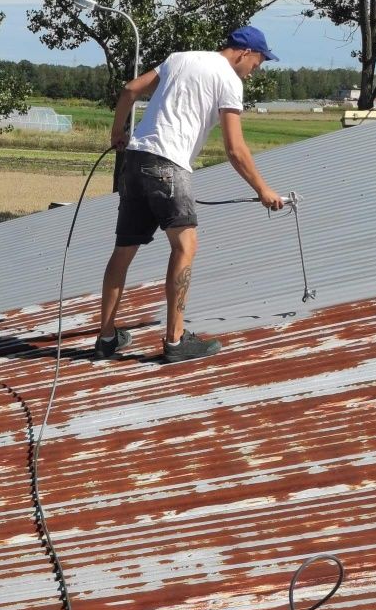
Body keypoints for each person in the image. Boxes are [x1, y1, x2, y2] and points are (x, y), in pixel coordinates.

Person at [96, 25, 287, 363]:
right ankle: (175, 341)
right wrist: (263, 189)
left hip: (136, 158)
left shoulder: (180, 59)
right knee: (185, 246)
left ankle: (107, 337)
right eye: (257, 64)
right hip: (169, 166)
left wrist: (117, 132)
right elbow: (235, 148)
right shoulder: (229, 80)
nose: (254, 72)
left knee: (123, 250)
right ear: (244, 53)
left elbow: (129, 90)